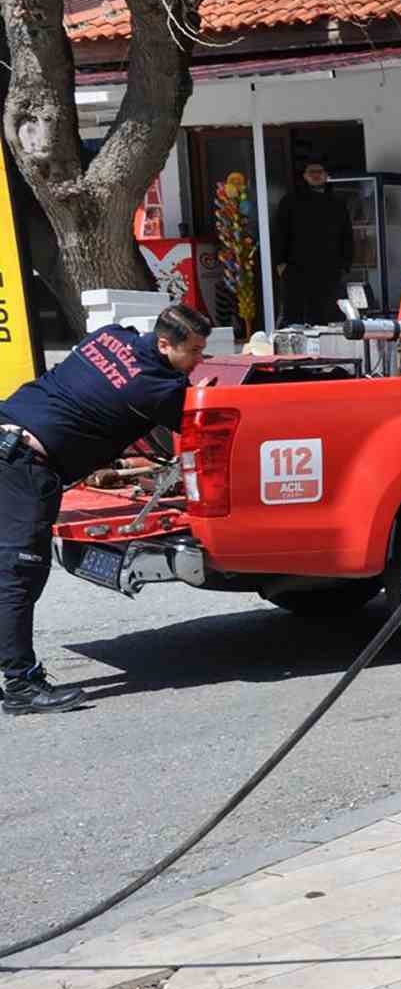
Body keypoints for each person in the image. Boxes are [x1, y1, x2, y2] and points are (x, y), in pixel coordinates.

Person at [0, 304, 211, 716]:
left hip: (7, 433)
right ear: (165, 344)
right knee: (19, 576)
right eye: (196, 351)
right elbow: (200, 424)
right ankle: (20, 685)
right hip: (24, 467)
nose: (200, 361)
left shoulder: (110, 335)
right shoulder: (158, 389)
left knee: (7, 574)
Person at [273, 160, 354, 326]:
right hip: (297, 269)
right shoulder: (290, 201)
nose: (316, 175)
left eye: (320, 171)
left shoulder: (336, 202)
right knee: (295, 317)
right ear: (304, 176)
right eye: (312, 172)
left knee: (328, 315)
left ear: (326, 175)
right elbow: (280, 233)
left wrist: (345, 264)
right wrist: (280, 263)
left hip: (329, 269)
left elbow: (346, 234)